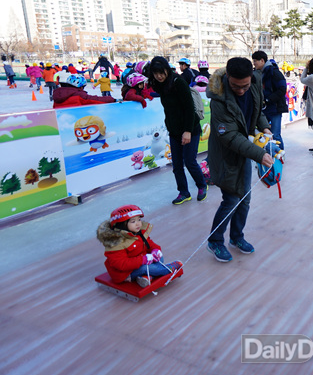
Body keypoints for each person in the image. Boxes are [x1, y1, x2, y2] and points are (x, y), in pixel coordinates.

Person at [205, 57, 274, 262]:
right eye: (236, 86)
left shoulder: (253, 85)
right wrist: (260, 155)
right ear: (227, 77)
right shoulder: (219, 99)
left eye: (245, 85)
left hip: (245, 151)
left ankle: (236, 237)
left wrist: (264, 126)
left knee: (245, 199)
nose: (241, 90)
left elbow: (256, 110)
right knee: (232, 199)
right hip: (225, 156)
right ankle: (215, 241)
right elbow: (230, 137)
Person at [148, 56, 208, 205]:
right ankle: (184, 192)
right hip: (174, 131)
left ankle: (201, 185)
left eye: (161, 72)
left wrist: (187, 131)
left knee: (189, 161)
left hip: (190, 128)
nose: (159, 76)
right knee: (177, 165)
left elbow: (189, 108)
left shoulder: (178, 82)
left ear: (167, 70)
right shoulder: (159, 85)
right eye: (156, 73)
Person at [96, 205, 183, 288]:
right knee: (147, 267)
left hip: (139, 262)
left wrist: (155, 250)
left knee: (160, 259)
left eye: (139, 220)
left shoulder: (138, 233)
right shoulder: (116, 243)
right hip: (125, 273)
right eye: (133, 222)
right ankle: (167, 269)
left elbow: (150, 243)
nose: (138, 224)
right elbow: (121, 264)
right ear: (122, 225)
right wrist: (143, 260)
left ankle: (145, 277)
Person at [252, 51, 288, 150]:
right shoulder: (257, 73)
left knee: (275, 134)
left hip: (275, 108)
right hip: (264, 109)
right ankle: (267, 154)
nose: (254, 63)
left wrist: (268, 99)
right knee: (263, 133)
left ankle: (280, 155)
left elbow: (282, 89)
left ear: (262, 61)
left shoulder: (274, 72)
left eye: (255, 61)